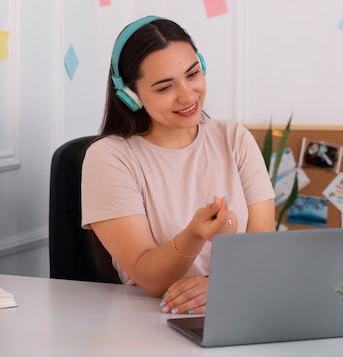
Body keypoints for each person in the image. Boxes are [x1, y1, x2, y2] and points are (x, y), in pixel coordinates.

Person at [81, 16, 275, 316]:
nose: (187, 95)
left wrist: (222, 285)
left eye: (193, 74)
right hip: (153, 319)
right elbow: (149, 276)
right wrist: (195, 233)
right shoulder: (109, 158)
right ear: (130, 96)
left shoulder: (235, 138)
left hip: (237, 309)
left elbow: (263, 243)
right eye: (164, 87)